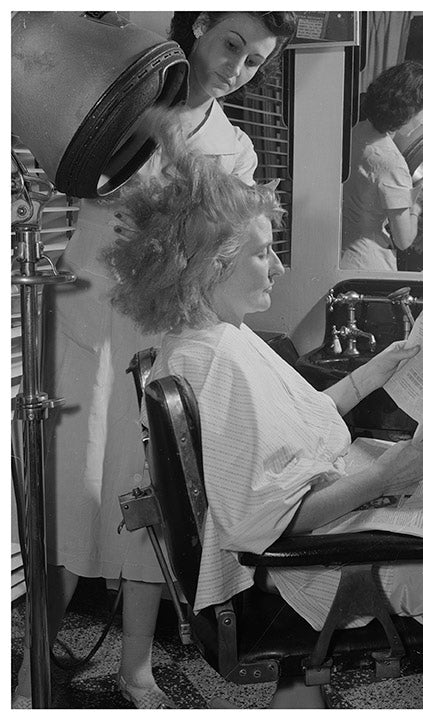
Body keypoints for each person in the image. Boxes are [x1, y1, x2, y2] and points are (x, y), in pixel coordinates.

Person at [104, 115, 423, 709]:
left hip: (346, 522)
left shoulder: (217, 339)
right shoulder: (217, 360)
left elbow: (298, 424)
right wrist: (385, 477)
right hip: (324, 568)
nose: (278, 269)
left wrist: (374, 371)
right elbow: (259, 522)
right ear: (212, 265)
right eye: (264, 254)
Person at [12, 11, 297, 710]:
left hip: (160, 338)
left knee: (147, 503)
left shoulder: (235, 151)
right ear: (199, 27)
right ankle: (28, 666)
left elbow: (213, 253)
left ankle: (135, 668)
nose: (236, 67)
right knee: (65, 497)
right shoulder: (111, 92)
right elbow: (66, 165)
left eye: (255, 62)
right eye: (232, 44)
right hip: (82, 325)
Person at [340, 61, 423, 272]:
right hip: (368, 262)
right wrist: (415, 208)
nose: (422, 123)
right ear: (405, 109)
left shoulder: (355, 133)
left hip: (338, 253)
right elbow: (404, 240)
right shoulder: (392, 162)